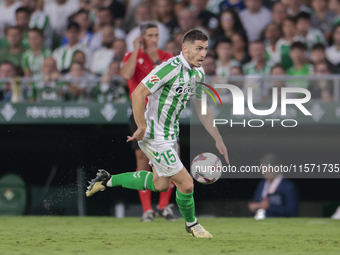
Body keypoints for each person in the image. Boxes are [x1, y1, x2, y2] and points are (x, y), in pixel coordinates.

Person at [86, 29, 229, 238]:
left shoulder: (198, 73)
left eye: (206, 49)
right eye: (198, 49)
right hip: (154, 135)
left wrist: (218, 138)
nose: (203, 54)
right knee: (187, 184)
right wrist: (141, 127)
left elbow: (201, 108)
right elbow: (138, 93)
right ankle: (192, 224)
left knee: (160, 184)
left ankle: (107, 180)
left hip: (170, 135)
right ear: (185, 49)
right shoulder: (169, 68)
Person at [121, 22, 177, 222]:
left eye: (157, 34)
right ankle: (147, 210)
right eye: (150, 35)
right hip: (139, 114)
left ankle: (164, 206)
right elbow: (126, 75)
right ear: (142, 37)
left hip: (162, 114)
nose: (155, 38)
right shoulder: (131, 57)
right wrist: (136, 49)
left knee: (171, 158)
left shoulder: (166, 57)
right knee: (142, 161)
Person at [248, 153, 299, 218]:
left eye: (267, 170)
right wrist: (254, 206)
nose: (265, 174)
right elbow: (256, 201)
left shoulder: (288, 186)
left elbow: (292, 212)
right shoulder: (262, 184)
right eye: (263, 170)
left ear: (277, 168)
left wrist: (269, 207)